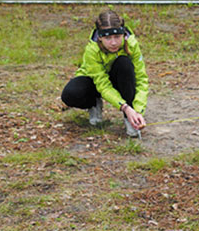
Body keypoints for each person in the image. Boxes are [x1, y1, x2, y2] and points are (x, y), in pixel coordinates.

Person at [61, 10, 149, 138]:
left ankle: (131, 120)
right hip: (96, 82)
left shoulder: (131, 44)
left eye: (117, 37)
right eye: (108, 38)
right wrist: (124, 107)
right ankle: (94, 104)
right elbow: (102, 84)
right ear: (100, 37)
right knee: (70, 94)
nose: (113, 43)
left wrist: (137, 110)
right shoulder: (92, 50)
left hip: (121, 80)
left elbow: (141, 79)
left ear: (123, 34)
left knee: (124, 64)